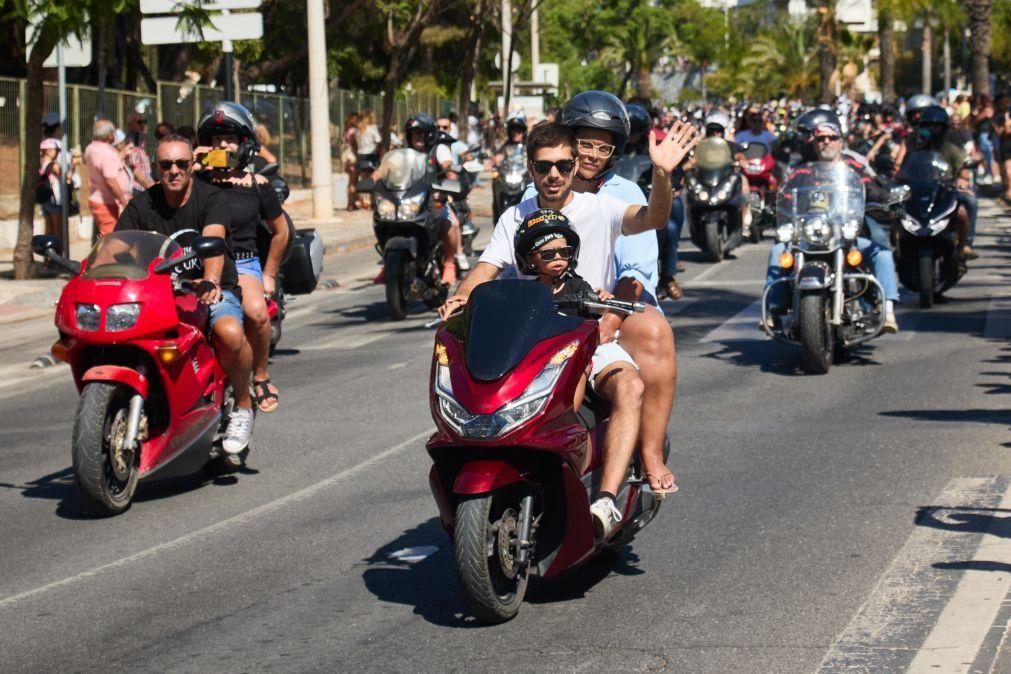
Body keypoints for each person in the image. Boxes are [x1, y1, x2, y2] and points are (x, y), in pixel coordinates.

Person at [440, 120, 699, 498]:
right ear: (531, 170)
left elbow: (653, 218)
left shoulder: (603, 208)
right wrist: (462, 298)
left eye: (563, 166)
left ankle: (607, 500)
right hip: (529, 338)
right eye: (544, 167)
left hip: (587, 338)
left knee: (629, 386)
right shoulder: (514, 217)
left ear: (575, 166)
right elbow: (485, 268)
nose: (554, 175)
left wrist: (661, 173)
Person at [115, 134, 255, 453]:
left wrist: (212, 280)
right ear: (156, 167)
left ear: (192, 165)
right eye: (166, 164)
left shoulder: (211, 198)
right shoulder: (141, 204)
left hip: (208, 289)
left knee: (230, 332)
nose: (174, 171)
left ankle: (244, 407)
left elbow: (214, 240)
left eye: (181, 163)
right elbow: (117, 247)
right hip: (158, 295)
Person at [514, 209, 648, 537]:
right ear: (530, 258)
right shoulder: (522, 292)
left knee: (571, 396)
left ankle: (603, 496)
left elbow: (600, 306)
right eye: (548, 254)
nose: (558, 259)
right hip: (537, 359)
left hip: (576, 358)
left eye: (563, 252)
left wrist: (603, 302)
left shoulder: (577, 286)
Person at [196, 101, 290, 413]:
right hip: (200, 266)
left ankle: (260, 375)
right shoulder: (195, 183)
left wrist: (269, 274)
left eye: (230, 139)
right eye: (215, 139)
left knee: (257, 313)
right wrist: (191, 165)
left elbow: (281, 232)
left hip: (244, 264)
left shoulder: (257, 185)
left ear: (245, 144)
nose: (222, 144)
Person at [764, 117, 900, 333]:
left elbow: (869, 187)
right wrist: (772, 207)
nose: (826, 142)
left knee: (882, 254)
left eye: (832, 137)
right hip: (809, 236)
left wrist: (884, 199)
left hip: (846, 236)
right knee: (778, 252)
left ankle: (887, 310)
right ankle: (774, 311)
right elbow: (786, 196)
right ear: (814, 142)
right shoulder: (802, 172)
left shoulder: (853, 166)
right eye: (821, 138)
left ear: (840, 141)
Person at [909, 105, 976, 259]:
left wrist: (960, 183)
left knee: (967, 206)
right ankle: (901, 246)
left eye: (936, 126)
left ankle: (964, 245)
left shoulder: (952, 146)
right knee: (897, 212)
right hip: (918, 189)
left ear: (943, 127)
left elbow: (963, 171)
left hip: (945, 190)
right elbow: (905, 166)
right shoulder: (914, 143)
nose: (932, 129)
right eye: (928, 125)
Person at [84, 118, 131, 238]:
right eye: (114, 132)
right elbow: (110, 181)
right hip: (106, 202)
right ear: (110, 135)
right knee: (110, 239)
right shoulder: (106, 153)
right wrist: (123, 200)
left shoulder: (91, 148)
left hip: (100, 199)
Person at [124, 111, 154, 193]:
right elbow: (136, 171)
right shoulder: (130, 142)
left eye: (144, 122)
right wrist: (152, 188)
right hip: (138, 188)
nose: (143, 125)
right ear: (130, 124)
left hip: (144, 186)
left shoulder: (141, 140)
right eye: (139, 122)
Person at [342, 112, 360, 211]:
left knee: (351, 182)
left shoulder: (346, 130)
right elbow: (355, 144)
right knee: (353, 182)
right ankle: (351, 204)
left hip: (347, 159)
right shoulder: (353, 131)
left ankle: (351, 202)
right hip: (353, 158)